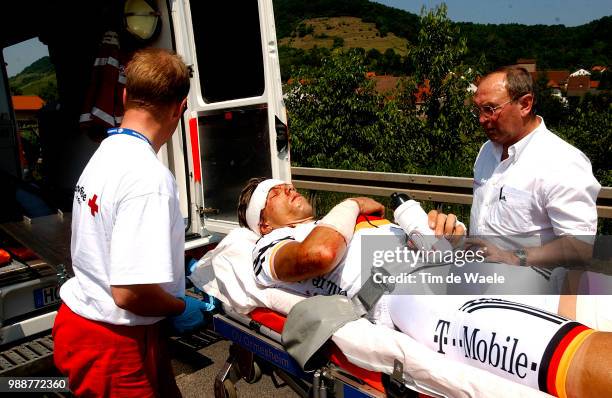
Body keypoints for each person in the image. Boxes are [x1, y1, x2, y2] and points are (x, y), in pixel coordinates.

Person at [237, 177, 612, 397]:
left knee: (584, 297)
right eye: (273, 195)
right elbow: (319, 255)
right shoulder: (268, 248)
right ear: (264, 224)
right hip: (412, 294)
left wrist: (444, 230)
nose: (286, 189)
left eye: (285, 184)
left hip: (456, 264)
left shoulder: (337, 221)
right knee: (576, 358)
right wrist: (351, 202)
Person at [53, 48, 212, 397]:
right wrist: (182, 305)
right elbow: (130, 292)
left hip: (81, 325)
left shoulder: (105, 153)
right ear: (179, 107)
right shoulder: (148, 177)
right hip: (114, 342)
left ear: (125, 96)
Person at [430, 66, 601, 268]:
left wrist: (513, 256)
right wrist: (457, 233)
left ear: (525, 104)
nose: (482, 119)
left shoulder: (563, 162)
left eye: (490, 109)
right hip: (478, 281)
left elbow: (579, 248)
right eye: (478, 109)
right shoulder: (487, 151)